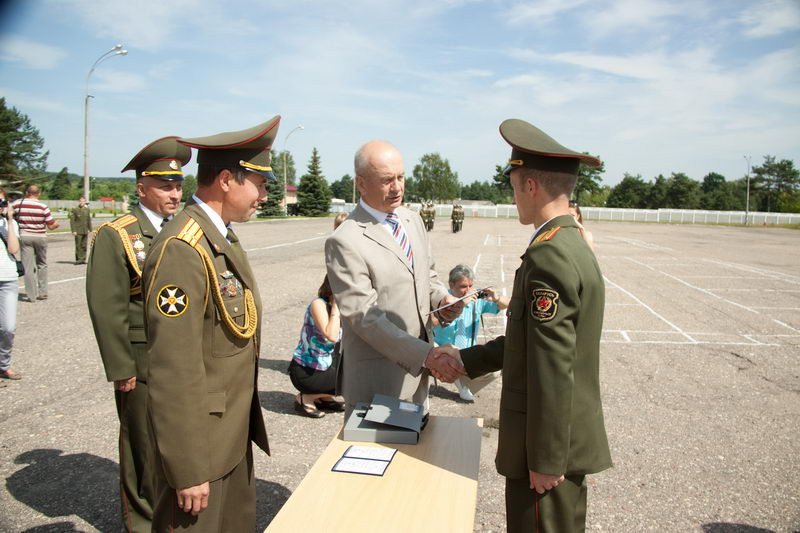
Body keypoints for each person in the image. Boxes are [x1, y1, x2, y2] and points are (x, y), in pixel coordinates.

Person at [450, 119, 612, 533]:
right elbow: (530, 344)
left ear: (530, 187)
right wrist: (463, 360)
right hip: (560, 442)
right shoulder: (570, 242)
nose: (514, 196)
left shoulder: (550, 255)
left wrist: (545, 457)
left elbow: (553, 367)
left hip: (546, 454)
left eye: (514, 186)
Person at [142, 117, 278, 531]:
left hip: (230, 435)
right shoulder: (183, 248)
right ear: (225, 180)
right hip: (203, 448)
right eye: (259, 184)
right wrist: (186, 467)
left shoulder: (221, 237)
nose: (264, 195)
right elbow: (173, 369)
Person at [86, 136, 190, 532]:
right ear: (141, 188)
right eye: (164, 185)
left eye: (178, 185)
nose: (174, 193)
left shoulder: (181, 229)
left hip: (177, 358)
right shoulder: (118, 234)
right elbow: (106, 305)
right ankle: (144, 524)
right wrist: (121, 367)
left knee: (175, 442)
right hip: (141, 360)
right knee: (142, 450)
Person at [324, 140, 465, 419]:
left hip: (419, 378)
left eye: (401, 177)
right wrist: (426, 355)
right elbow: (364, 316)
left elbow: (428, 274)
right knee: (380, 459)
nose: (398, 187)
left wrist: (442, 299)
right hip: (379, 381)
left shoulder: (412, 220)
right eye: (387, 180)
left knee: (417, 453)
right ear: (361, 184)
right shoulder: (345, 240)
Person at [432, 264, 508, 401]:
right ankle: (458, 379)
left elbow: (507, 305)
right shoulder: (443, 299)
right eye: (463, 286)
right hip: (445, 352)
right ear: (451, 285)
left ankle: (464, 381)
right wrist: (461, 304)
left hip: (467, 353)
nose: (467, 290)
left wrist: (497, 298)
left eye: (470, 286)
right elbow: (433, 321)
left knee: (496, 370)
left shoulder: (476, 299)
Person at [289, 275, 344, 418]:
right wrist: (337, 308)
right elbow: (331, 335)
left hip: (327, 366)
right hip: (308, 371)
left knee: (360, 373)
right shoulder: (318, 304)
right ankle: (305, 397)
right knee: (353, 384)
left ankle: (323, 397)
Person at [12, 185, 59, 302]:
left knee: (28, 267)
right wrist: (56, 224)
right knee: (42, 264)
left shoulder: (18, 204)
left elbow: (10, 214)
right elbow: (51, 226)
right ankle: (43, 292)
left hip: (25, 235)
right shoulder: (43, 207)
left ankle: (31, 295)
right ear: (39, 193)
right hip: (40, 236)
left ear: (27, 192)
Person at [0, 189, 21, 380]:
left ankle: (3, 363)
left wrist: (9, 220)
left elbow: (13, 248)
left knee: (8, 327)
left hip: (7, 279)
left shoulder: (10, 224)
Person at [69, 195, 92, 264]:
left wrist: (90, 229)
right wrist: (73, 230)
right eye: (81, 201)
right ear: (79, 202)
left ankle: (83, 259)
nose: (82, 202)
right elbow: (72, 221)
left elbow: (88, 220)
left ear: (85, 202)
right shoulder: (75, 209)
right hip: (78, 230)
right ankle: (78, 259)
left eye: (83, 201)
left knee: (84, 245)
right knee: (78, 245)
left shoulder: (87, 210)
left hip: (85, 230)